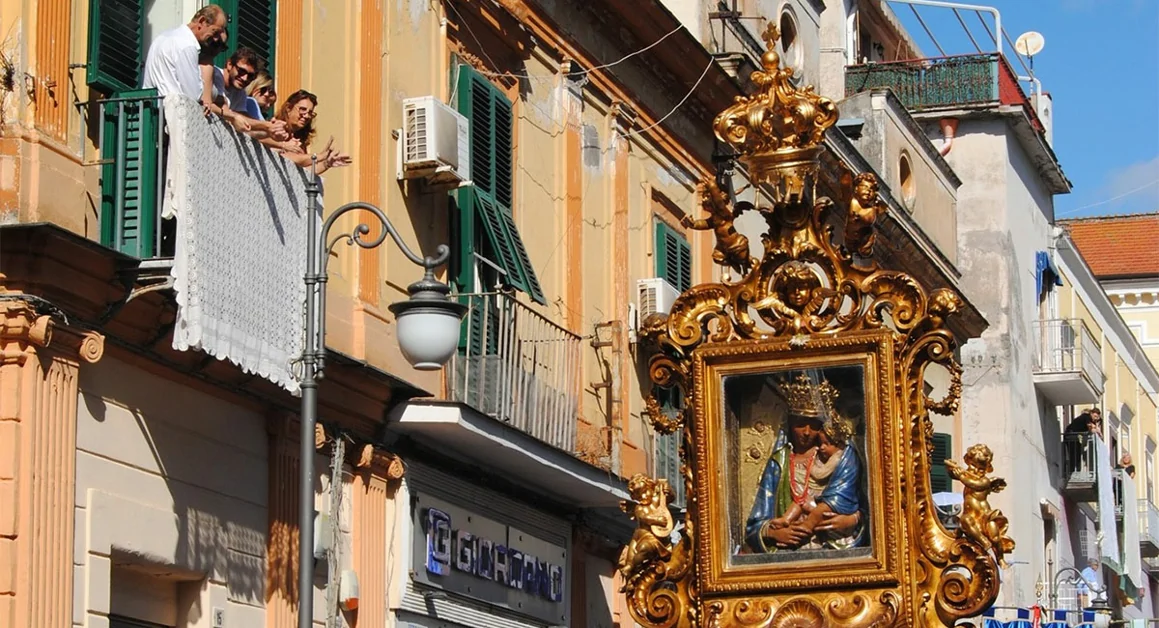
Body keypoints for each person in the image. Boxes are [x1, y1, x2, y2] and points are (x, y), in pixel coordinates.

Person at [745, 373, 864, 552]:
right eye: (800, 423)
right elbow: (755, 525)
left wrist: (852, 520)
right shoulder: (779, 462)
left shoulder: (842, 458)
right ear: (789, 423)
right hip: (790, 555)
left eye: (813, 424)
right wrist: (773, 533)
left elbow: (869, 508)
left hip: (834, 549)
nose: (807, 432)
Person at [201, 47, 288, 140]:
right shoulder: (214, 75)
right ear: (229, 65)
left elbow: (246, 126)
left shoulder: (240, 93)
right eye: (241, 71)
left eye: (251, 76)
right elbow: (219, 108)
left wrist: (271, 131)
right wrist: (266, 125)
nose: (244, 78)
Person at [143, 5, 228, 99]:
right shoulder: (187, 46)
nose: (216, 39)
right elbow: (194, 94)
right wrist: (214, 92)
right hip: (170, 110)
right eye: (215, 32)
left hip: (150, 107)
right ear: (202, 21)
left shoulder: (162, 37)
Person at [270, 90, 352, 174]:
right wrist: (320, 156)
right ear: (288, 108)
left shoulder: (299, 139)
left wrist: (326, 163)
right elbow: (287, 159)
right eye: (302, 109)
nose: (306, 116)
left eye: (310, 112)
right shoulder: (275, 129)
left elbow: (304, 172)